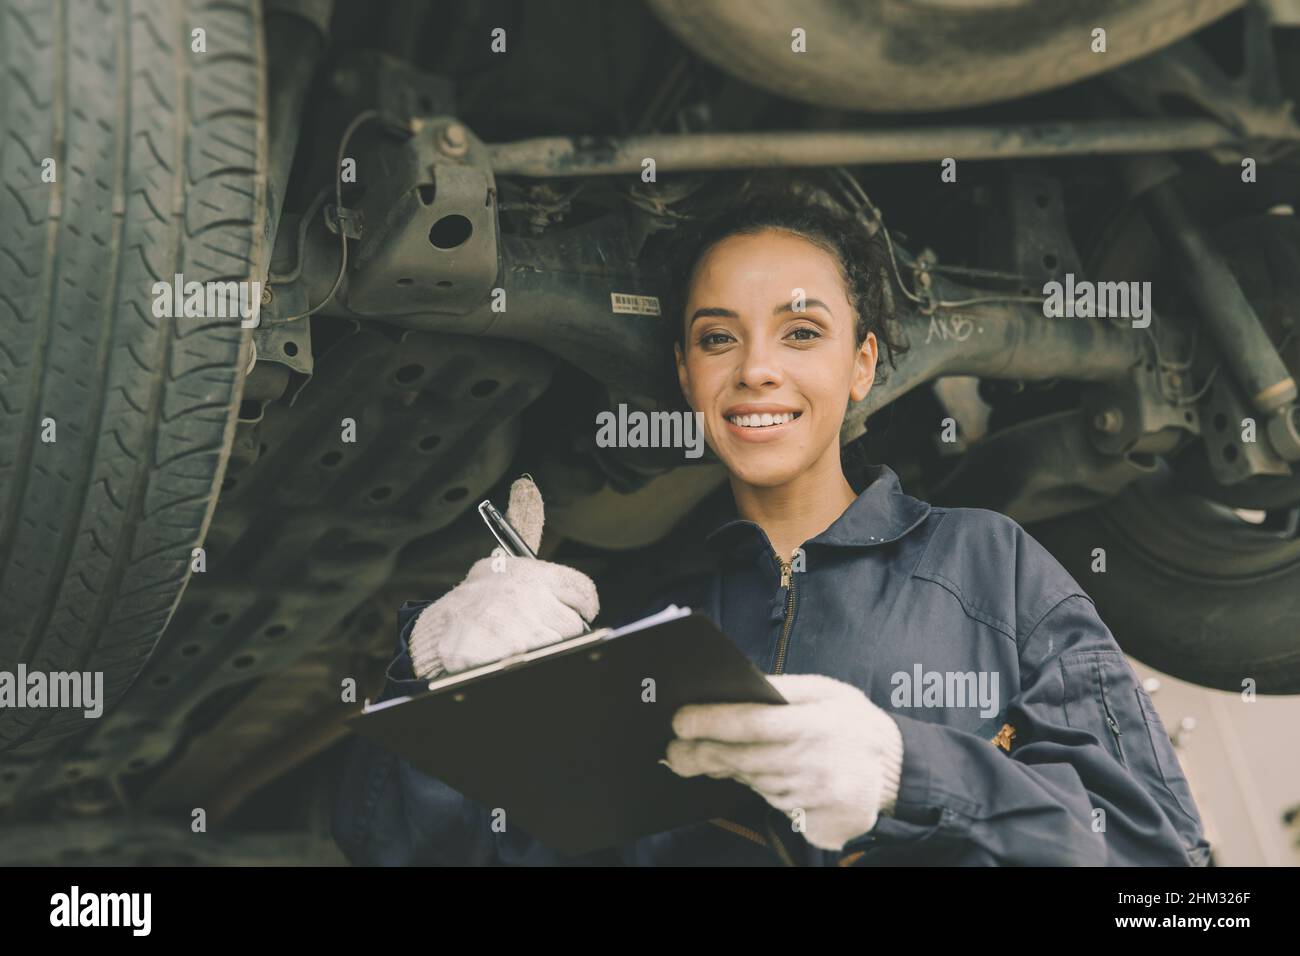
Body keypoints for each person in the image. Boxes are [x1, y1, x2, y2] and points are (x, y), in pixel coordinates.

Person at [330, 187, 1211, 866]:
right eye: (719, 339)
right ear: (684, 372)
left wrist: (910, 774)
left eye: (800, 332)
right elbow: (414, 851)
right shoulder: (640, 627)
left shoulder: (992, 568)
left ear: (862, 364)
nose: (756, 370)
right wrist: (441, 677)